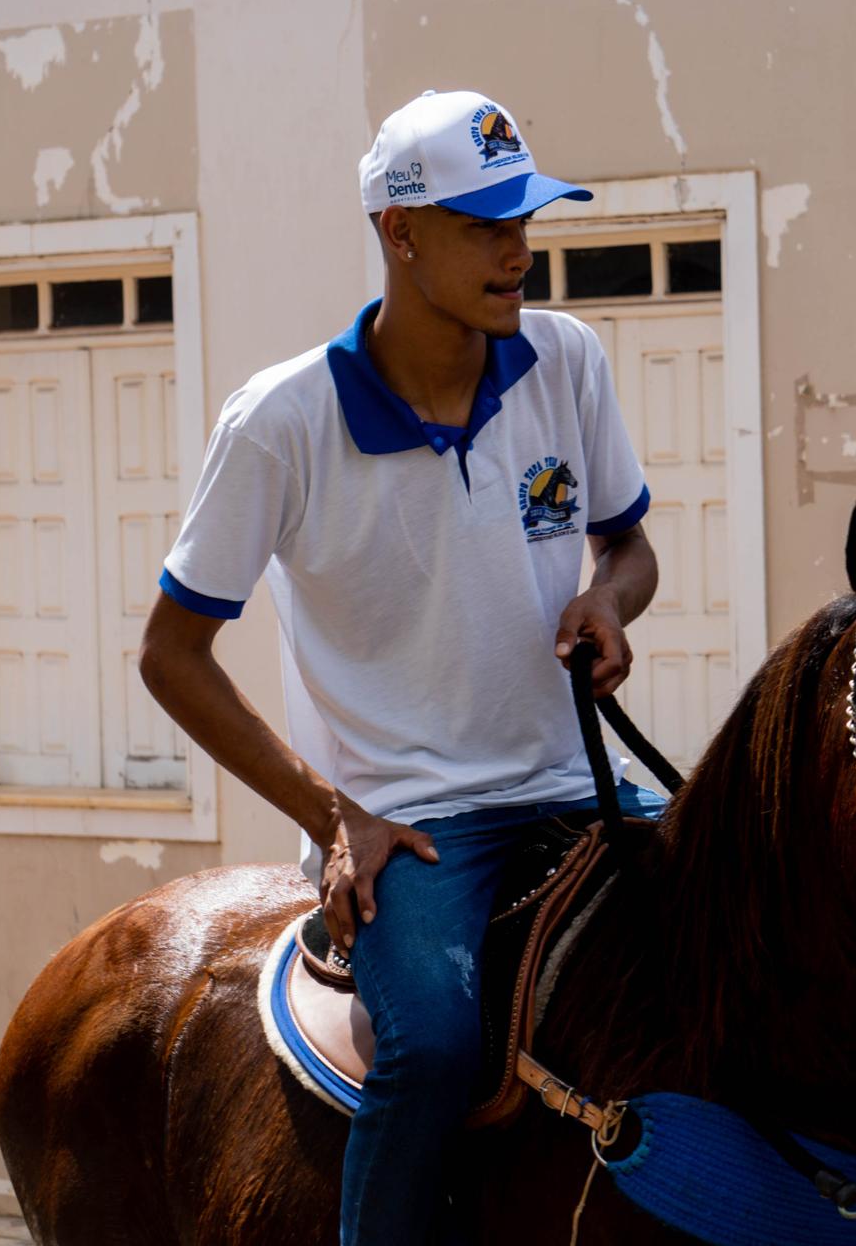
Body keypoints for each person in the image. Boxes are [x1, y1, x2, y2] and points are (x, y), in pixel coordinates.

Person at [139, 89, 663, 1244]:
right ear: (400, 230)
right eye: (485, 225)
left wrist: (608, 599)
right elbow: (171, 655)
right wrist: (333, 815)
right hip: (417, 824)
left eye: (526, 219)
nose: (518, 250)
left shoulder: (565, 358)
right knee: (428, 1047)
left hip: (578, 785)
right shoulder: (280, 422)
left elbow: (629, 546)